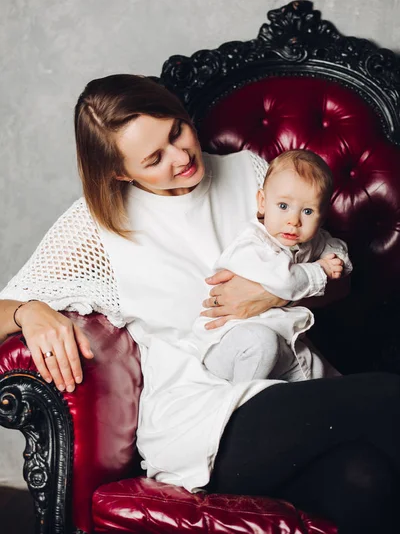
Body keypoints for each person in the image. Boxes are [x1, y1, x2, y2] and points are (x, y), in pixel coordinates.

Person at [0, 74, 399, 534]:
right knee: (388, 397)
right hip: (199, 418)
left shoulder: (250, 172)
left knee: (366, 483)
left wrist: (272, 293)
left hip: (284, 388)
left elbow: (340, 284)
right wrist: (27, 310)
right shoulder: (98, 226)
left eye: (176, 131)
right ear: (120, 173)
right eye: (154, 158)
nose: (181, 156)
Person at [189, 149, 352, 384]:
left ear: (322, 218)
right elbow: (285, 281)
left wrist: (335, 257)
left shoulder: (306, 239)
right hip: (226, 341)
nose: (293, 221)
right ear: (263, 203)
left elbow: (334, 247)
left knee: (326, 379)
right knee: (262, 344)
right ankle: (242, 402)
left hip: (281, 341)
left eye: (307, 211)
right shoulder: (253, 243)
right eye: (283, 206)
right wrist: (321, 270)